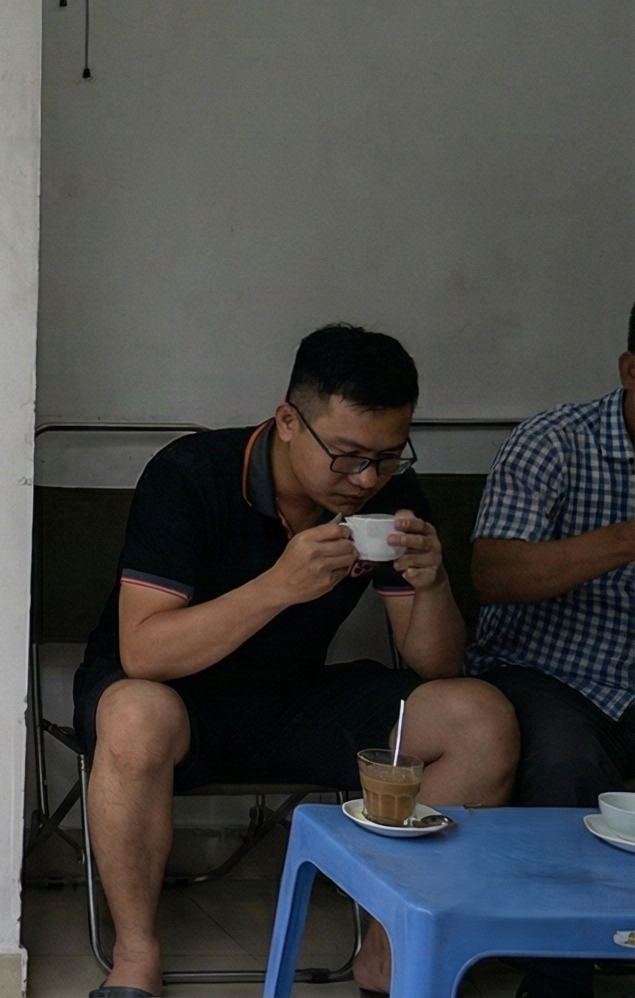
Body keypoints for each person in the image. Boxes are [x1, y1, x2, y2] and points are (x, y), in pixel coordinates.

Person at [77, 324, 516, 998]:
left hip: (293, 699)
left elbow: (438, 665)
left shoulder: (388, 497)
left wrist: (432, 586)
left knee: (479, 718)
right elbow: (144, 652)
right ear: (288, 421)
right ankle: (138, 957)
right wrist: (277, 588)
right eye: (346, 455)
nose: (365, 478)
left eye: (387, 456)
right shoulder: (190, 474)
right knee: (137, 713)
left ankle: (388, 953)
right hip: (175, 702)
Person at [465, 309, 635, 998]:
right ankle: (556, 978)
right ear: (631, 371)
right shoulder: (555, 441)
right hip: (543, 671)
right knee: (566, 760)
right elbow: (495, 573)